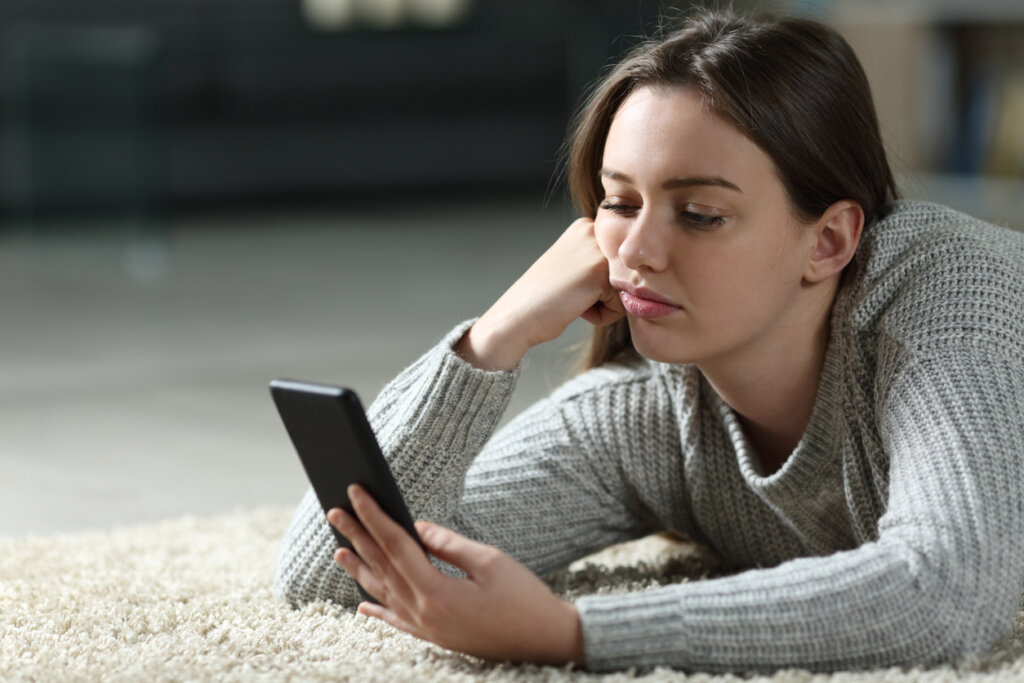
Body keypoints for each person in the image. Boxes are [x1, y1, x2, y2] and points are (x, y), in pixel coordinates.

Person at [274, 7, 1024, 673]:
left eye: (698, 213)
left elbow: (952, 586)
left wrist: (572, 631)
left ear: (828, 240)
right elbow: (333, 574)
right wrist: (492, 339)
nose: (636, 251)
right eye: (619, 201)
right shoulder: (649, 416)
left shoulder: (949, 301)